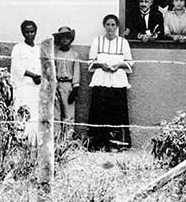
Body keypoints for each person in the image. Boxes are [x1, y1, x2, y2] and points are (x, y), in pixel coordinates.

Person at [88, 14, 134, 150]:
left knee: (117, 111)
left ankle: (118, 144)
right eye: (108, 24)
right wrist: (102, 65)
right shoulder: (97, 41)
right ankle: (98, 144)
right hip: (101, 80)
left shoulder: (122, 42)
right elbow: (90, 62)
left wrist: (119, 65)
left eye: (113, 25)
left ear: (117, 26)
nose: (110, 27)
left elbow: (130, 62)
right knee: (99, 111)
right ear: (104, 26)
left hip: (118, 81)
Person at [11, 20, 42, 142]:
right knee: (23, 111)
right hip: (24, 85)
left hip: (36, 87)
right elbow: (17, 67)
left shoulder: (38, 49)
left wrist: (39, 77)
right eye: (27, 32)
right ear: (23, 33)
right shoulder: (18, 48)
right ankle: (21, 139)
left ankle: (33, 140)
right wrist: (33, 75)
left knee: (35, 113)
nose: (30, 34)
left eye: (32, 32)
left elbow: (43, 66)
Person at [53, 26, 81, 138]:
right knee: (56, 113)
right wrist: (53, 86)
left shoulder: (74, 55)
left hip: (68, 85)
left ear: (70, 39)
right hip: (56, 84)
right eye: (62, 38)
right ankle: (56, 139)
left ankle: (67, 140)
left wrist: (75, 88)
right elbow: (53, 70)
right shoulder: (55, 54)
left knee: (68, 114)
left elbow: (76, 72)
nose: (64, 40)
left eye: (67, 37)